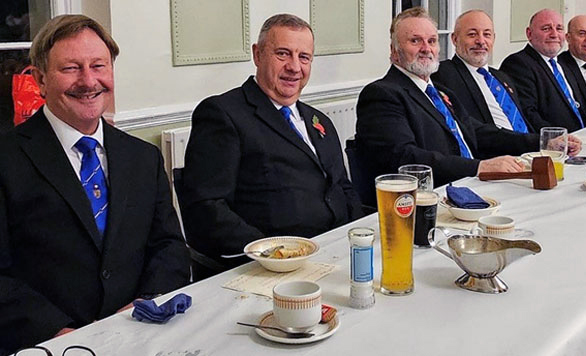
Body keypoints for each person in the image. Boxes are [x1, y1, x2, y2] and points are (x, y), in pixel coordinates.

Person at [0, 15, 190, 351]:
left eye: (98, 66)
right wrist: (60, 334)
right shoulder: (6, 159)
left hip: (140, 335)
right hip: (47, 343)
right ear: (41, 80)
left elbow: (169, 246)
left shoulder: (143, 158)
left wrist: (146, 301)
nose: (89, 81)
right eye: (71, 68)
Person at [179, 14, 363, 277]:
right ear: (257, 54)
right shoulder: (223, 114)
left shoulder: (319, 121)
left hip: (338, 253)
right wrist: (273, 254)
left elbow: (342, 187)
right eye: (283, 54)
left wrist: (362, 236)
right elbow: (207, 207)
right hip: (272, 269)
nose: (294, 67)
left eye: (304, 57)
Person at [356, 8, 546, 193]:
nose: (426, 48)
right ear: (394, 51)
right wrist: (479, 167)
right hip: (433, 197)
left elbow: (478, 132)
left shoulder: (440, 92)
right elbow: (405, 157)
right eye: (415, 41)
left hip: (473, 185)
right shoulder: (381, 94)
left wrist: (541, 141)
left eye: (431, 41)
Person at [433, 10, 547, 133]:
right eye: (472, 34)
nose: (481, 41)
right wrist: (532, 142)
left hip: (532, 148)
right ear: (455, 39)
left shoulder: (502, 77)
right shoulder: (443, 74)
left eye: (487, 35)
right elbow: (471, 129)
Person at [500, 8, 586, 131]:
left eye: (559, 28)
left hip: (581, 137)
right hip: (553, 144)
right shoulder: (517, 64)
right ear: (529, 34)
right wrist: (559, 138)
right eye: (546, 28)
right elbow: (528, 115)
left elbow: (574, 106)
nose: (554, 34)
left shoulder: (561, 64)